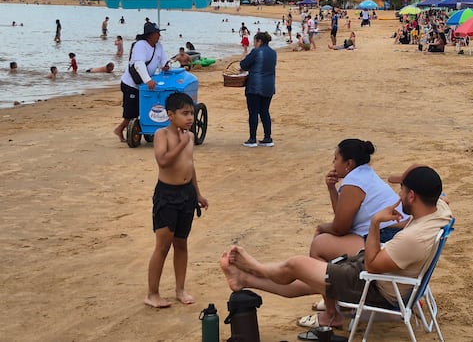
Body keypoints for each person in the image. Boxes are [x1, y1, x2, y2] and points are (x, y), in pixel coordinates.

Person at [219, 165, 452, 332]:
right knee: (308, 276)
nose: (398, 196)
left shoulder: (413, 238)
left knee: (297, 264)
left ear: (412, 196)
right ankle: (244, 281)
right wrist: (408, 177)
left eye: (402, 191)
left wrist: (375, 222)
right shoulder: (439, 209)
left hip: (374, 288)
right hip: (386, 277)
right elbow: (436, 188)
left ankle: (254, 267)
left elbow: (372, 265)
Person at [299, 139, 406, 325]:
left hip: (384, 241)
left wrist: (321, 228)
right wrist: (332, 189)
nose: (333, 163)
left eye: (336, 159)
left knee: (319, 245)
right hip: (393, 237)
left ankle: (332, 314)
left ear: (348, 163)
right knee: (328, 239)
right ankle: (336, 298)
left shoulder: (353, 183)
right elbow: (342, 217)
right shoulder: (364, 174)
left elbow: (340, 228)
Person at [144, 92, 208, 308]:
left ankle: (180, 289)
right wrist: (180, 143)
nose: (190, 118)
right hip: (167, 195)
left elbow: (190, 165)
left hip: (186, 194)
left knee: (181, 243)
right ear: (170, 115)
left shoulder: (189, 136)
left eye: (191, 113)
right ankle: (152, 293)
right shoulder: (163, 134)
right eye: (184, 113)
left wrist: (197, 193)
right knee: (163, 246)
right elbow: (162, 161)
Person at [114, 22, 170, 143]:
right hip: (131, 84)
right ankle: (120, 129)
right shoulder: (140, 45)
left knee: (144, 108)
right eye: (157, 33)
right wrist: (148, 80)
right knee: (132, 111)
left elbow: (163, 60)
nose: (159, 35)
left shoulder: (158, 46)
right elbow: (139, 64)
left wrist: (166, 66)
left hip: (143, 85)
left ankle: (145, 127)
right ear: (150, 35)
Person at [240, 31, 277, 147]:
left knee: (253, 112)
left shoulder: (256, 52)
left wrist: (245, 62)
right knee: (264, 111)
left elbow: (244, 65)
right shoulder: (273, 53)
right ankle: (267, 138)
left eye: (254, 41)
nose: (253, 44)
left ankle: (252, 139)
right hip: (269, 86)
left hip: (255, 86)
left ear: (259, 41)